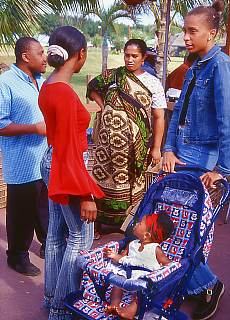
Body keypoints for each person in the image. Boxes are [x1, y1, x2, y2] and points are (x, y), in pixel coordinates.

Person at [162, 1, 230, 319]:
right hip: (183, 157)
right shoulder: (194, 68)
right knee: (171, 226)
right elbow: (176, 116)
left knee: (193, 232)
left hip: (206, 162)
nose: (186, 37)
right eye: (184, 31)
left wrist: (222, 170)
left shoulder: (220, 66)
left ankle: (207, 285)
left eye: (193, 31)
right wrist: (167, 150)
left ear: (212, 33)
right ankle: (188, 281)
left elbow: (227, 121)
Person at [39, 26, 104, 320]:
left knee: (55, 235)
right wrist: (87, 193)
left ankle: (52, 297)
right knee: (80, 237)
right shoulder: (64, 93)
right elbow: (69, 149)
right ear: (81, 55)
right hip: (66, 161)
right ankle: (62, 308)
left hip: (52, 159)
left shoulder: (48, 84)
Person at [87, 39, 167, 228]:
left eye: (134, 56)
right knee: (102, 181)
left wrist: (156, 148)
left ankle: (127, 225)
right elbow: (92, 88)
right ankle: (98, 224)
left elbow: (159, 117)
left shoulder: (152, 83)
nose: (129, 60)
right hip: (106, 147)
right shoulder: (113, 76)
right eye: (126, 55)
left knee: (132, 184)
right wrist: (103, 106)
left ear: (143, 57)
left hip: (134, 147)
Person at [0, 37, 48, 276]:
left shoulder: (41, 80)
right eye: (40, 53)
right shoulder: (6, 82)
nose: (45, 57)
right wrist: (35, 129)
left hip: (44, 159)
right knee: (21, 212)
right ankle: (17, 256)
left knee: (42, 206)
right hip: (21, 161)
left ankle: (47, 244)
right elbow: (0, 124)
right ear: (25, 57)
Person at [103, 212, 174, 320]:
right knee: (117, 284)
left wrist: (165, 270)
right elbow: (121, 257)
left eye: (140, 223)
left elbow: (168, 265)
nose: (136, 223)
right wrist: (112, 255)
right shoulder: (132, 244)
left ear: (146, 235)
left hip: (143, 279)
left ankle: (128, 312)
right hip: (128, 274)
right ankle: (114, 305)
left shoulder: (156, 249)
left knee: (139, 297)